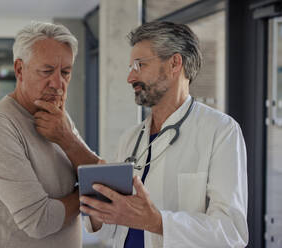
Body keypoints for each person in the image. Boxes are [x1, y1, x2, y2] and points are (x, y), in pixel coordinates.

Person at [40, 20, 248, 247]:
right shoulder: (131, 138)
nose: (131, 78)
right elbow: (112, 229)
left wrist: (157, 222)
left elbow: (231, 233)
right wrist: (99, 210)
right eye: (131, 68)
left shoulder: (221, 131)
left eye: (140, 65)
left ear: (174, 63)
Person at [0, 21, 100, 248]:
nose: (58, 83)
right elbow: (40, 221)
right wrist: (92, 193)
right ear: (19, 69)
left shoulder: (60, 118)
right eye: (47, 71)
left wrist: (67, 140)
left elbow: (101, 185)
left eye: (66, 72)